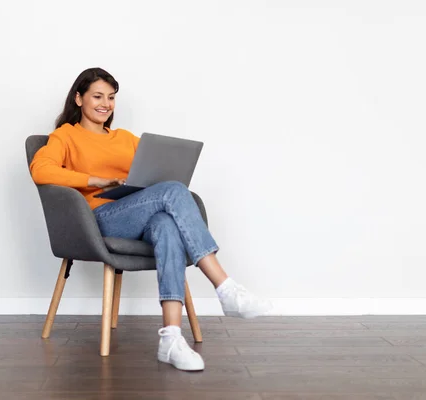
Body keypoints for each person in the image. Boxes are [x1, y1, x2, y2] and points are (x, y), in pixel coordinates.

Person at [30, 67, 273, 371]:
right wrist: (97, 180)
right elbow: (41, 170)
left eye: (111, 97)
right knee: (172, 191)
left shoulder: (126, 139)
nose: (105, 103)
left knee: (167, 224)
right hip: (95, 220)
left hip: (135, 214)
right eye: (97, 96)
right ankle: (225, 287)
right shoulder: (65, 135)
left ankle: (171, 337)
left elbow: (152, 179)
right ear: (79, 99)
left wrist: (150, 182)